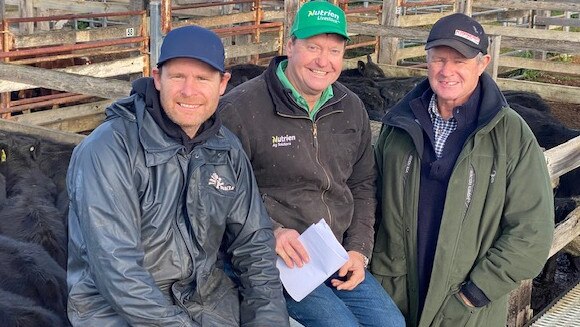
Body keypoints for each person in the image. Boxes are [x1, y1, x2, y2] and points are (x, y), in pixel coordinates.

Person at [66, 25, 289, 327]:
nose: (189, 90)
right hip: (117, 312)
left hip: (207, 302)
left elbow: (254, 245)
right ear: (157, 78)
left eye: (202, 78)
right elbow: (117, 269)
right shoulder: (109, 149)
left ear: (223, 83)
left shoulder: (226, 148)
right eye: (177, 76)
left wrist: (269, 320)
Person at [219, 1, 404, 326]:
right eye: (313, 47)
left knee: (391, 323)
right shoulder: (241, 109)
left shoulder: (350, 108)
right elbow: (221, 190)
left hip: (331, 253)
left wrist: (358, 250)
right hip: (270, 255)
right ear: (290, 45)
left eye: (334, 50)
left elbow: (362, 185)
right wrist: (270, 231)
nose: (323, 60)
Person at [371, 13, 555, 326]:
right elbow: (370, 198)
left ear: (482, 64)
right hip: (395, 296)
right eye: (439, 58)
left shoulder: (510, 134)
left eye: (460, 61)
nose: (447, 71)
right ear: (426, 60)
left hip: (467, 309)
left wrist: (475, 292)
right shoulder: (398, 125)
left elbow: (531, 231)